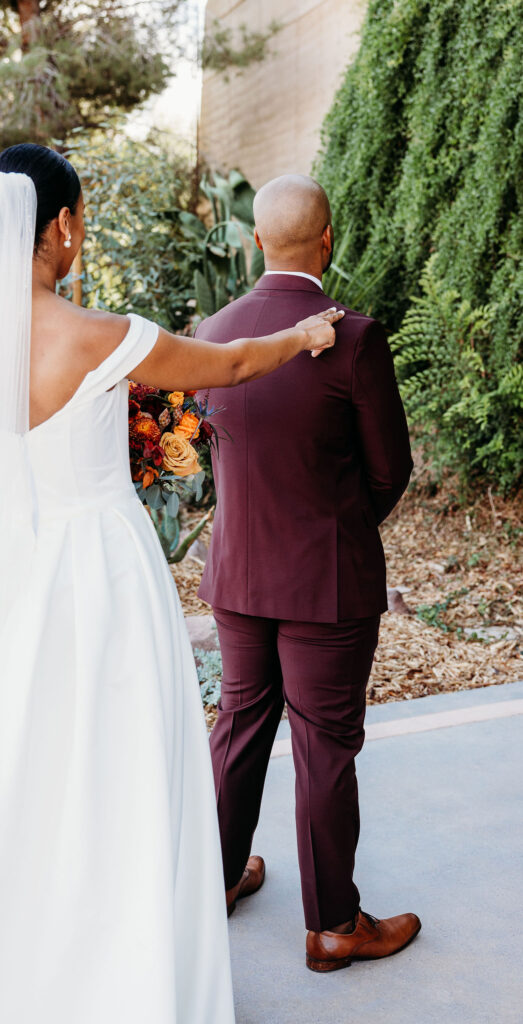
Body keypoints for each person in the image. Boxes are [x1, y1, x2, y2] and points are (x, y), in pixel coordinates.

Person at [0, 147, 342, 1022]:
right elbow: (223, 366)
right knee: (114, 762)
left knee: (1, 763)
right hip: (97, 572)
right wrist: (301, 335)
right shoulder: (99, 335)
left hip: (6, 569)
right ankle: (112, 964)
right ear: (62, 227)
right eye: (83, 217)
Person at [195, 174, 421, 972]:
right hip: (324, 582)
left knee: (239, 724)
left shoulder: (211, 331)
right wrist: (334, 529)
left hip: (236, 577)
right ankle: (331, 925)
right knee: (323, 745)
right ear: (328, 239)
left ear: (257, 240)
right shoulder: (352, 338)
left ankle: (216, 881)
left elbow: (212, 458)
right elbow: (388, 469)